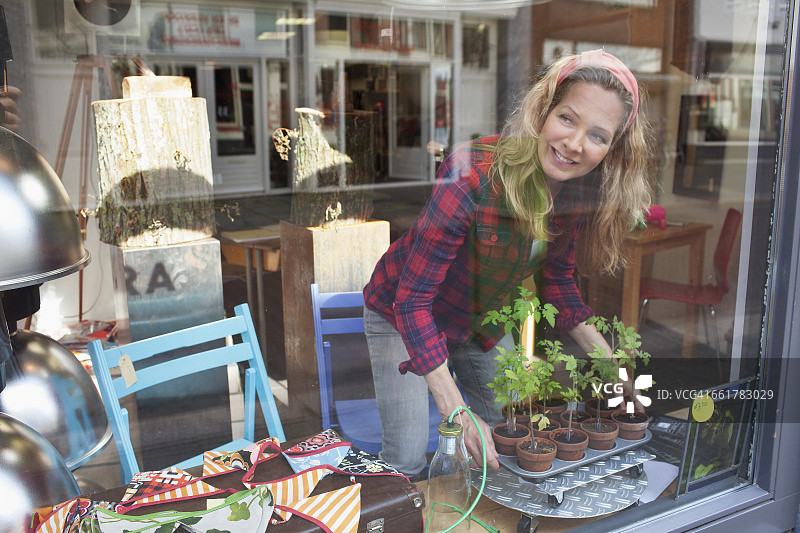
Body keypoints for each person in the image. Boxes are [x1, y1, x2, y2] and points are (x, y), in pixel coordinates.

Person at [363, 50, 654, 477]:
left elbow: (557, 284)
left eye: (597, 135)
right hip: (401, 313)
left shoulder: (575, 192)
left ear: (613, 148)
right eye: (567, 118)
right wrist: (457, 411)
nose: (574, 144)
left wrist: (612, 369)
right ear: (543, 110)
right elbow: (412, 301)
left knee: (512, 435)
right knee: (408, 457)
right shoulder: (471, 174)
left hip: (477, 320)